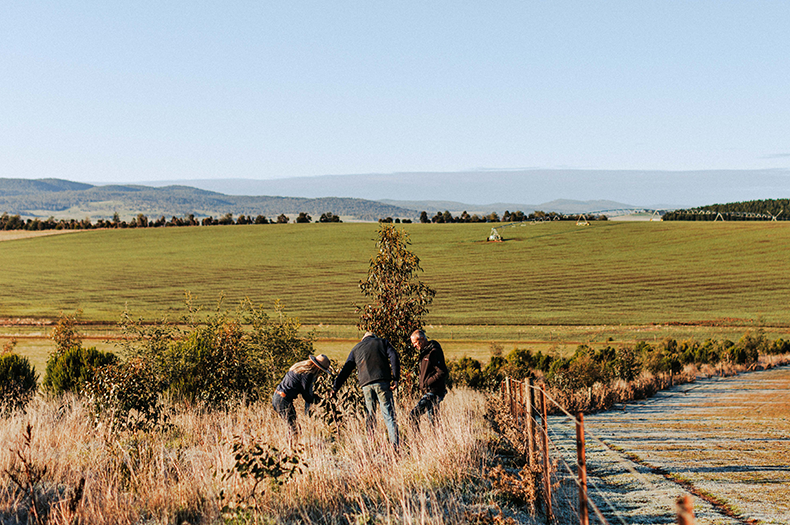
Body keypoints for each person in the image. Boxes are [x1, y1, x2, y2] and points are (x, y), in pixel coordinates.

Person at [332, 332, 400, 448]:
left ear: (363, 339)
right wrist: (396, 378)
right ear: (374, 337)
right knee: (388, 415)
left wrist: (335, 387)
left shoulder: (356, 349)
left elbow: (346, 370)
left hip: (366, 385)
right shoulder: (382, 342)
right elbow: (394, 355)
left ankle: (371, 445)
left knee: (370, 415)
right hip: (382, 381)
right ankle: (395, 446)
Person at [272, 354, 331, 432]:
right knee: (293, 429)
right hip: (283, 400)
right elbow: (306, 395)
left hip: (277, 397)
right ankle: (292, 444)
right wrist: (319, 399)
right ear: (318, 368)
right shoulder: (307, 375)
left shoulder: (300, 369)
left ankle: (290, 443)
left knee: (291, 426)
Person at [409, 329, 448, 426]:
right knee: (434, 420)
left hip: (434, 391)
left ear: (422, 339)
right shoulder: (424, 352)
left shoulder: (434, 352)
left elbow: (442, 372)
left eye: (415, 343)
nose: (414, 345)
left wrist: (426, 383)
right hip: (429, 391)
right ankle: (438, 438)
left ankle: (417, 440)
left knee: (413, 415)